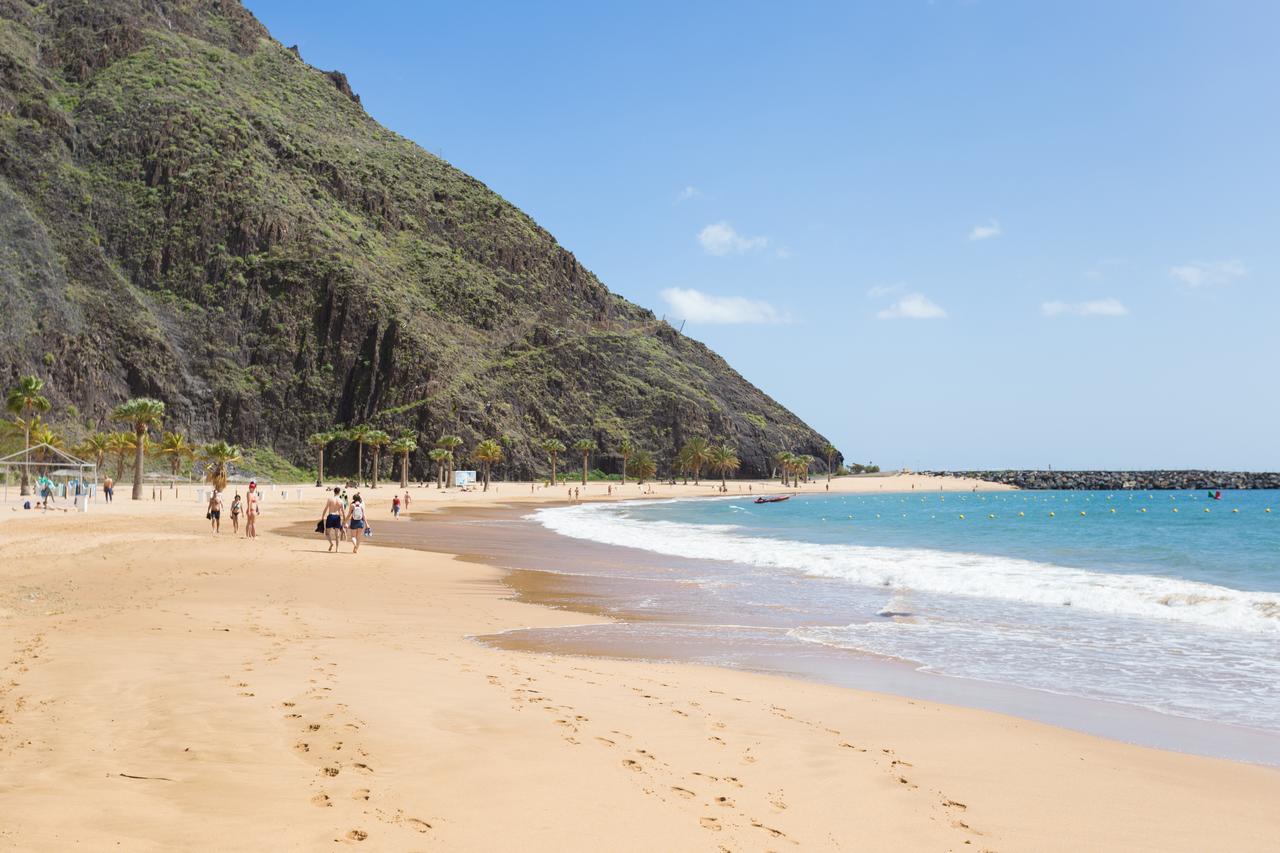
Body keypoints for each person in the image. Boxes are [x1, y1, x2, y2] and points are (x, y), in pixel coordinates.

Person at [320, 487, 344, 552]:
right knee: (337, 534)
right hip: (337, 517)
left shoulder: (330, 499)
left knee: (327, 533)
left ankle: (331, 543)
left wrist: (322, 517)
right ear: (339, 492)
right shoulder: (341, 501)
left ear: (334, 492)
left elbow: (326, 508)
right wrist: (344, 520)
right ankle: (337, 549)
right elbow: (342, 512)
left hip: (331, 516)